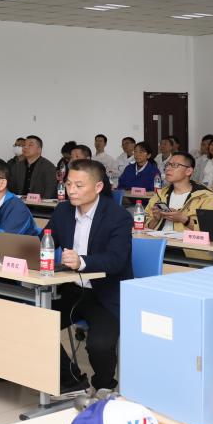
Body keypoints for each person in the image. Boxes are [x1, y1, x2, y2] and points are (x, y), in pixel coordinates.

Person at [47, 159, 133, 393]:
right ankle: (72, 381)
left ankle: (105, 388)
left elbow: (116, 259)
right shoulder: (63, 210)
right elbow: (46, 240)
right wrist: (20, 251)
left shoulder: (118, 216)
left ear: (98, 187)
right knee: (34, 322)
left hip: (105, 295)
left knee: (99, 346)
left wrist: (83, 262)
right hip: (71, 290)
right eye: (68, 184)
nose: (71, 190)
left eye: (79, 185)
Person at [143, 151, 213, 239]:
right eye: (167, 165)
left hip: (186, 246)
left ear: (188, 171)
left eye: (174, 165)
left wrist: (184, 219)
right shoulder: (159, 195)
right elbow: (142, 227)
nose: (168, 168)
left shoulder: (207, 198)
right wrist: (155, 219)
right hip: (158, 243)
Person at [8, 134, 59, 199]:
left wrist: (41, 203)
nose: (25, 147)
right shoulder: (16, 166)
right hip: (19, 203)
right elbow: (11, 188)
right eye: (24, 145)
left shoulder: (48, 167)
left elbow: (50, 191)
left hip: (41, 204)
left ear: (39, 150)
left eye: (30, 145)